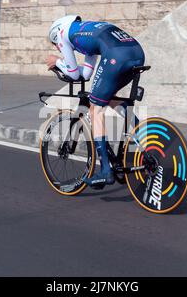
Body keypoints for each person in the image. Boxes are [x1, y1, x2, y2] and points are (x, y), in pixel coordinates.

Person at [45, 15, 145, 189]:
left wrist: (57, 62)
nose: (59, 47)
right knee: (105, 99)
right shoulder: (85, 32)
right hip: (136, 52)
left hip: (117, 55)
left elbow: (74, 74)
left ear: (55, 37)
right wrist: (66, 66)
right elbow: (86, 74)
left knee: (94, 109)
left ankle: (106, 170)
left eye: (56, 45)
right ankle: (143, 134)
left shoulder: (61, 33)